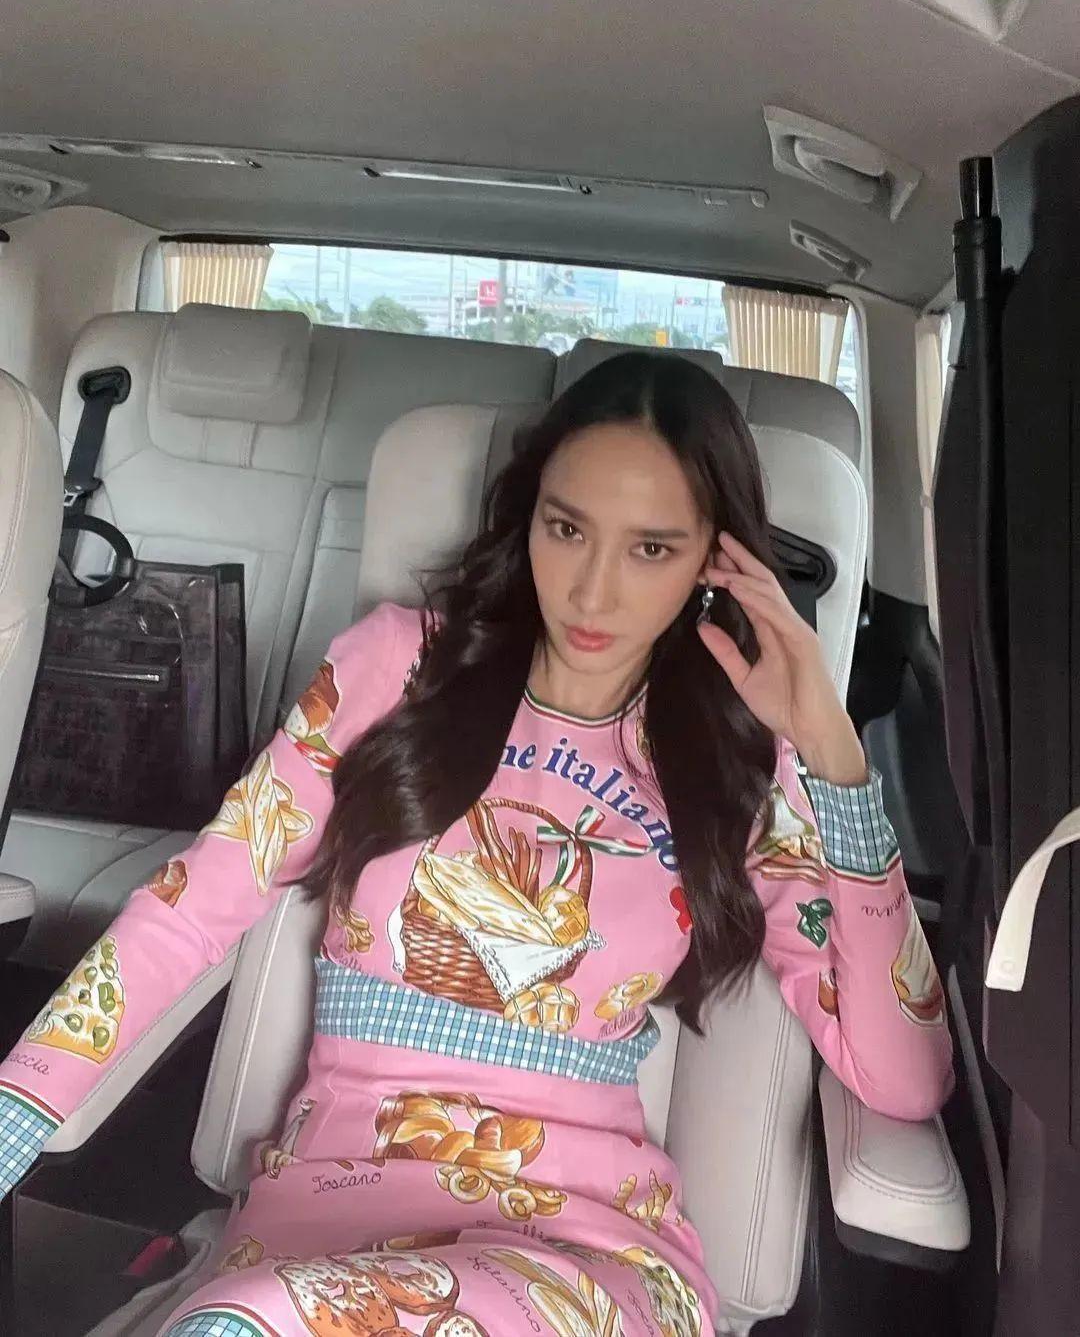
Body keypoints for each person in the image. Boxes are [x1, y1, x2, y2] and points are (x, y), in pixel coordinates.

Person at [0, 352, 954, 1336]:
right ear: (528, 513)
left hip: (584, 1260)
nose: (592, 591)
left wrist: (832, 752)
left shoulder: (739, 758)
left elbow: (904, 1074)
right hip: (321, 1223)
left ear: (714, 559)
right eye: (567, 528)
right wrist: (18, 1107)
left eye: (651, 549)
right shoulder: (396, 667)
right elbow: (189, 909)